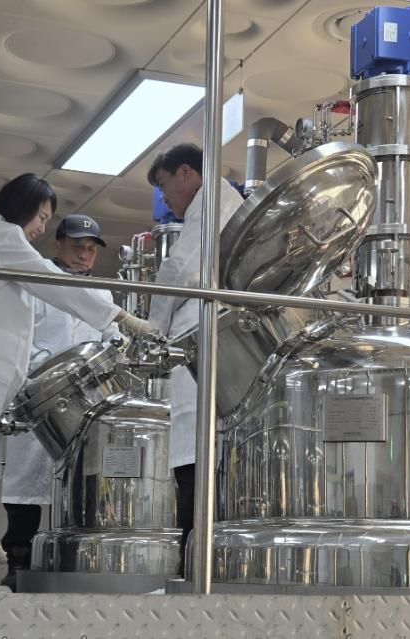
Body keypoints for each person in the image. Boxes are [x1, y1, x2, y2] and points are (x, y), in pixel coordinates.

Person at [0, 173, 152, 594]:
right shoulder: (1, 237)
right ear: (24, 207)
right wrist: (123, 316)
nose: (40, 227)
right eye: (42, 217)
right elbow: (53, 284)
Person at [0, 213, 118, 591]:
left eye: (90, 249)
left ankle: (78, 558)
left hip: (87, 404)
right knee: (25, 484)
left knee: (85, 484)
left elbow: (113, 337)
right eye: (76, 246)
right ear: (57, 244)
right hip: (37, 396)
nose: (84, 254)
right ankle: (18, 560)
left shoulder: (102, 294)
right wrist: (37, 375)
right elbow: (20, 335)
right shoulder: (38, 282)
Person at [146, 144, 243, 576]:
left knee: (195, 460)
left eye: (164, 185)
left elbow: (180, 267)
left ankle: (194, 569)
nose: (165, 198)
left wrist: (150, 330)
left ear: (186, 172)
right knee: (209, 459)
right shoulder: (224, 201)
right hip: (219, 339)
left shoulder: (210, 201)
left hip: (202, 337)